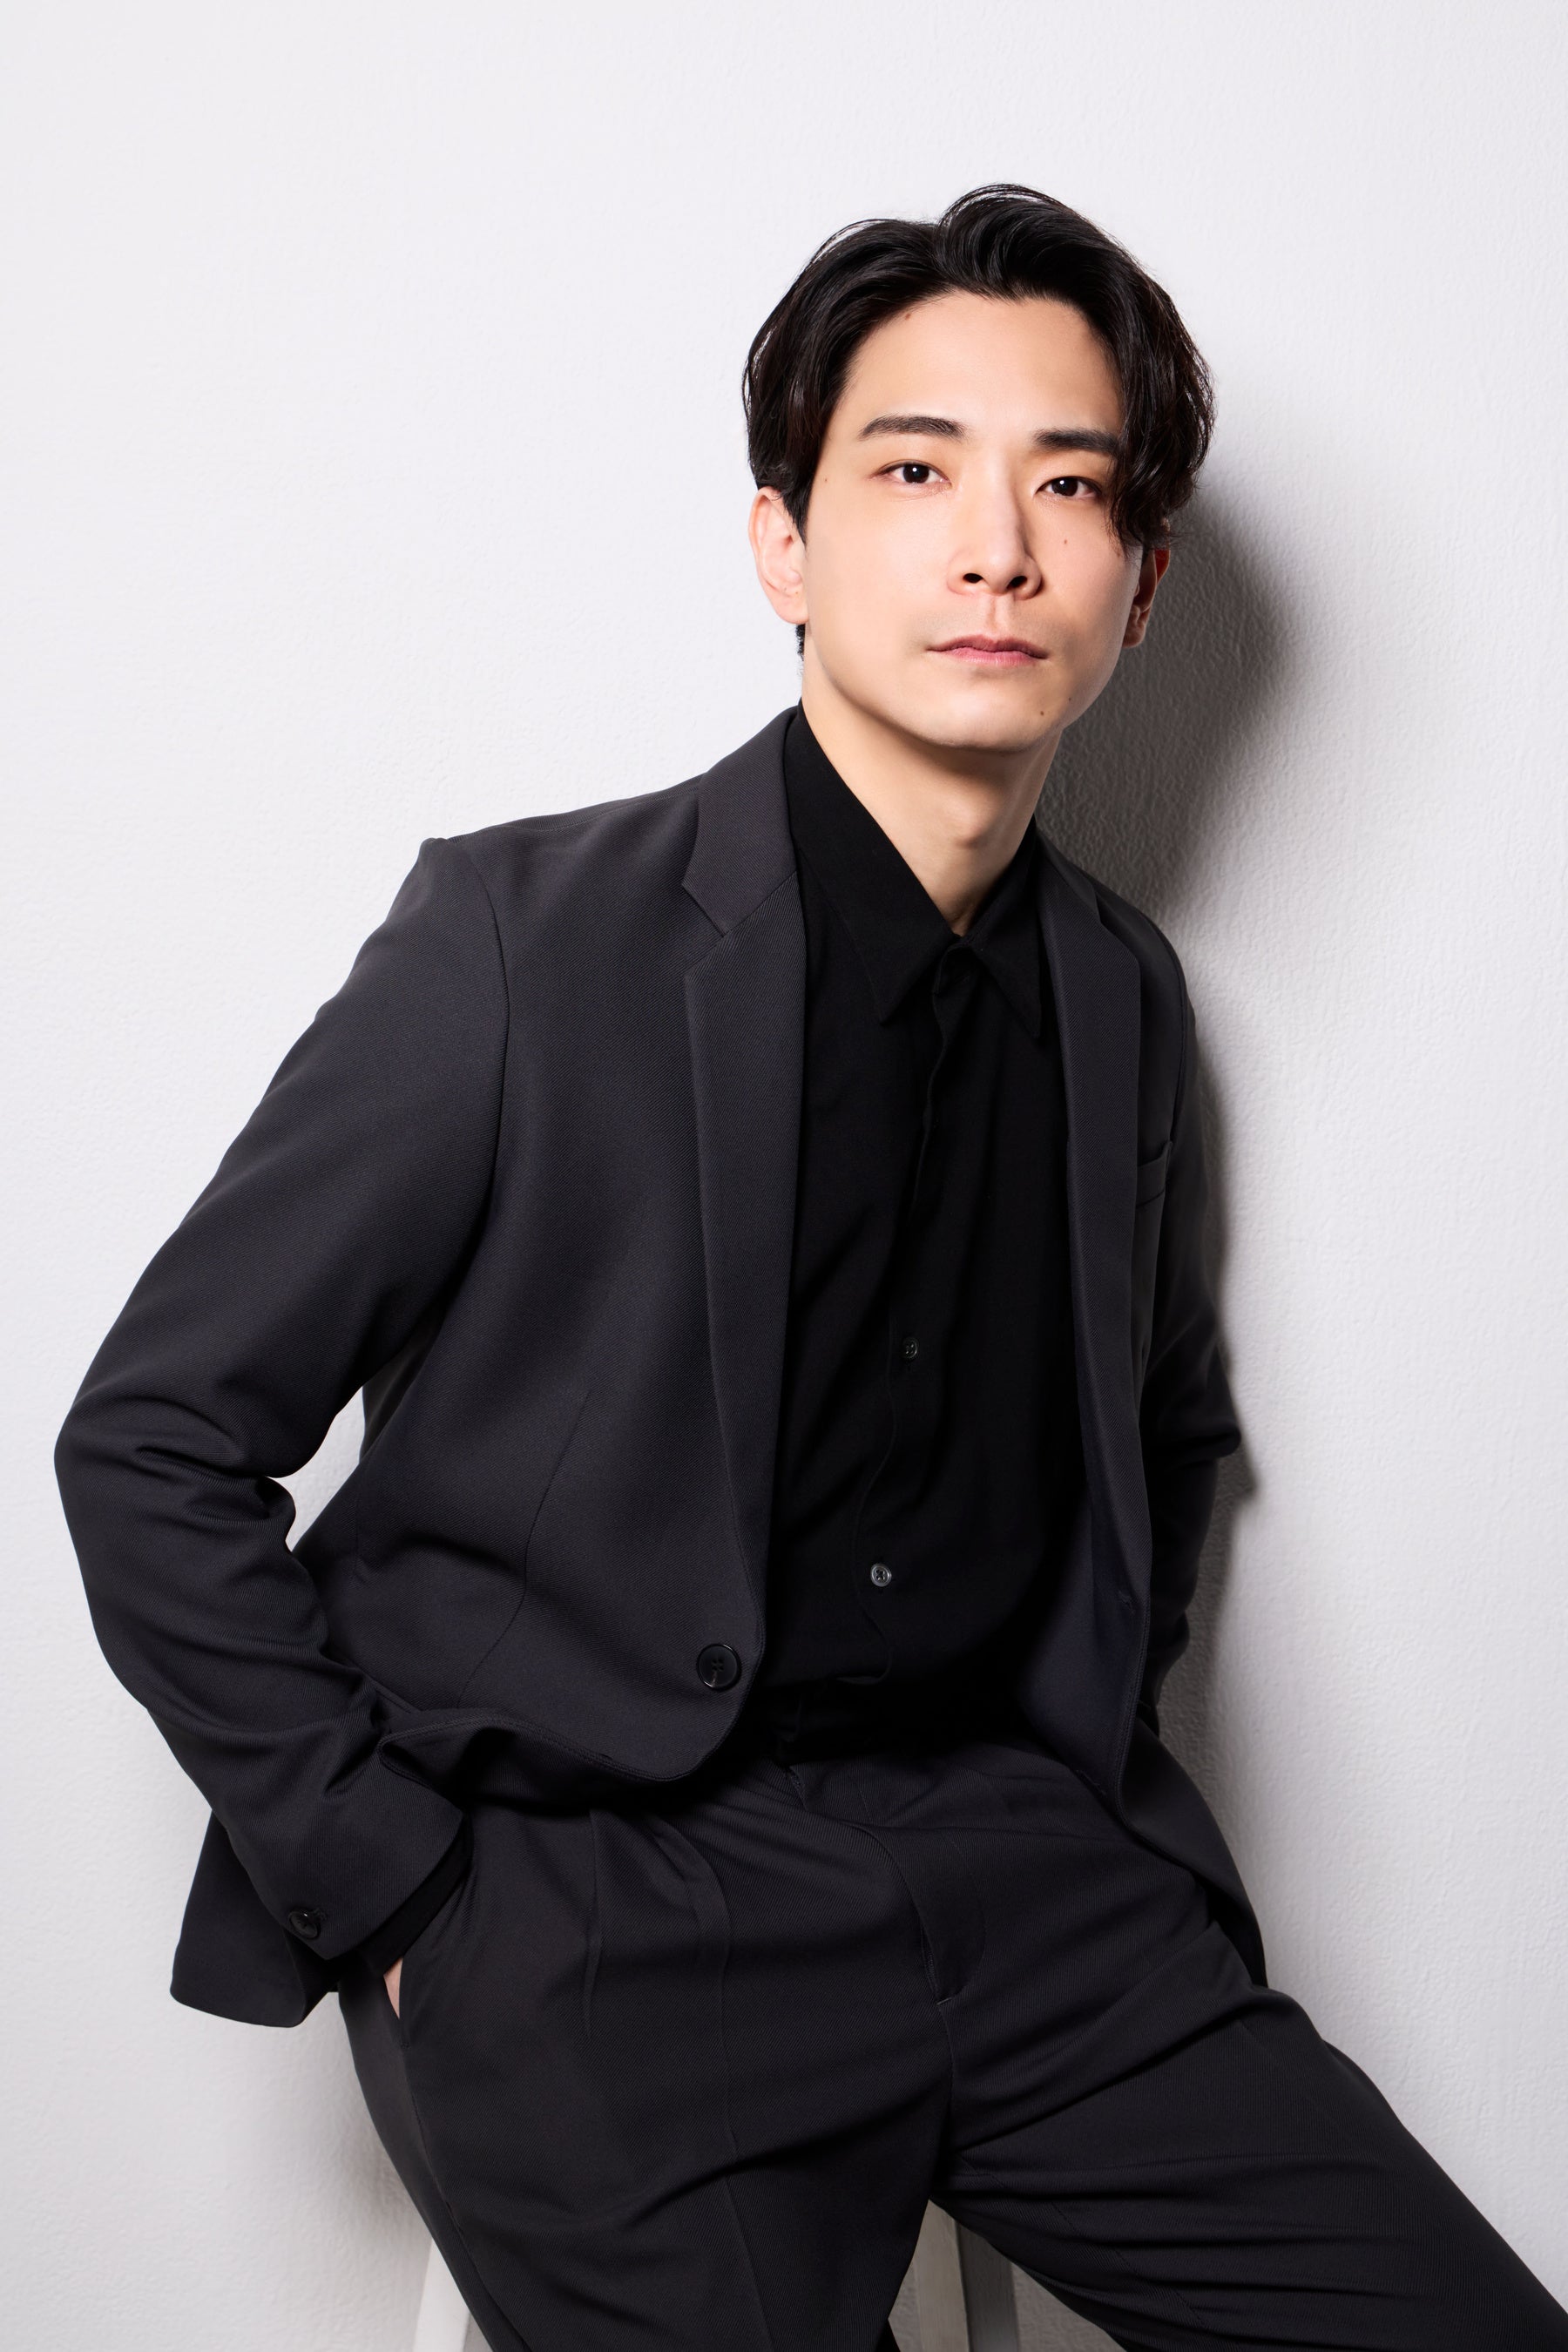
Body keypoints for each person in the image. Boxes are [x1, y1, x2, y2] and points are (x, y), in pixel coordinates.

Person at [55, 186, 1566, 2350]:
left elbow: (1156, 1430)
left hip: (1033, 1890)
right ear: (783, 542)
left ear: (1141, 586)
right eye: (915, 471)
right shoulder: (520, 941)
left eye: (1072, 488)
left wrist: (1083, 1772)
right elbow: (152, 1439)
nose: (997, 548)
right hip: (593, 1915)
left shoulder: (1119, 996)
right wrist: (405, 1891)